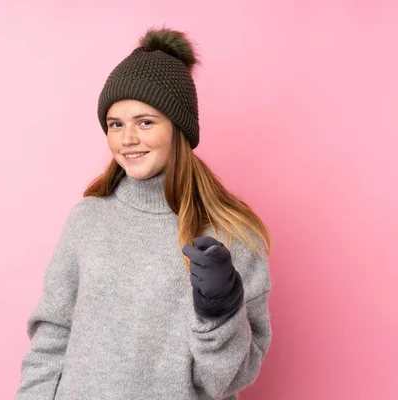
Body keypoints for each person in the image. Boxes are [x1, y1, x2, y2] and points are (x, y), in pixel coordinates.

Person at [15, 27, 272, 400]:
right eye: (115, 124)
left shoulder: (232, 235)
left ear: (178, 128)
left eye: (145, 122)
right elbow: (52, 336)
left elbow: (227, 381)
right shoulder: (88, 220)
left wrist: (220, 311)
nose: (127, 138)